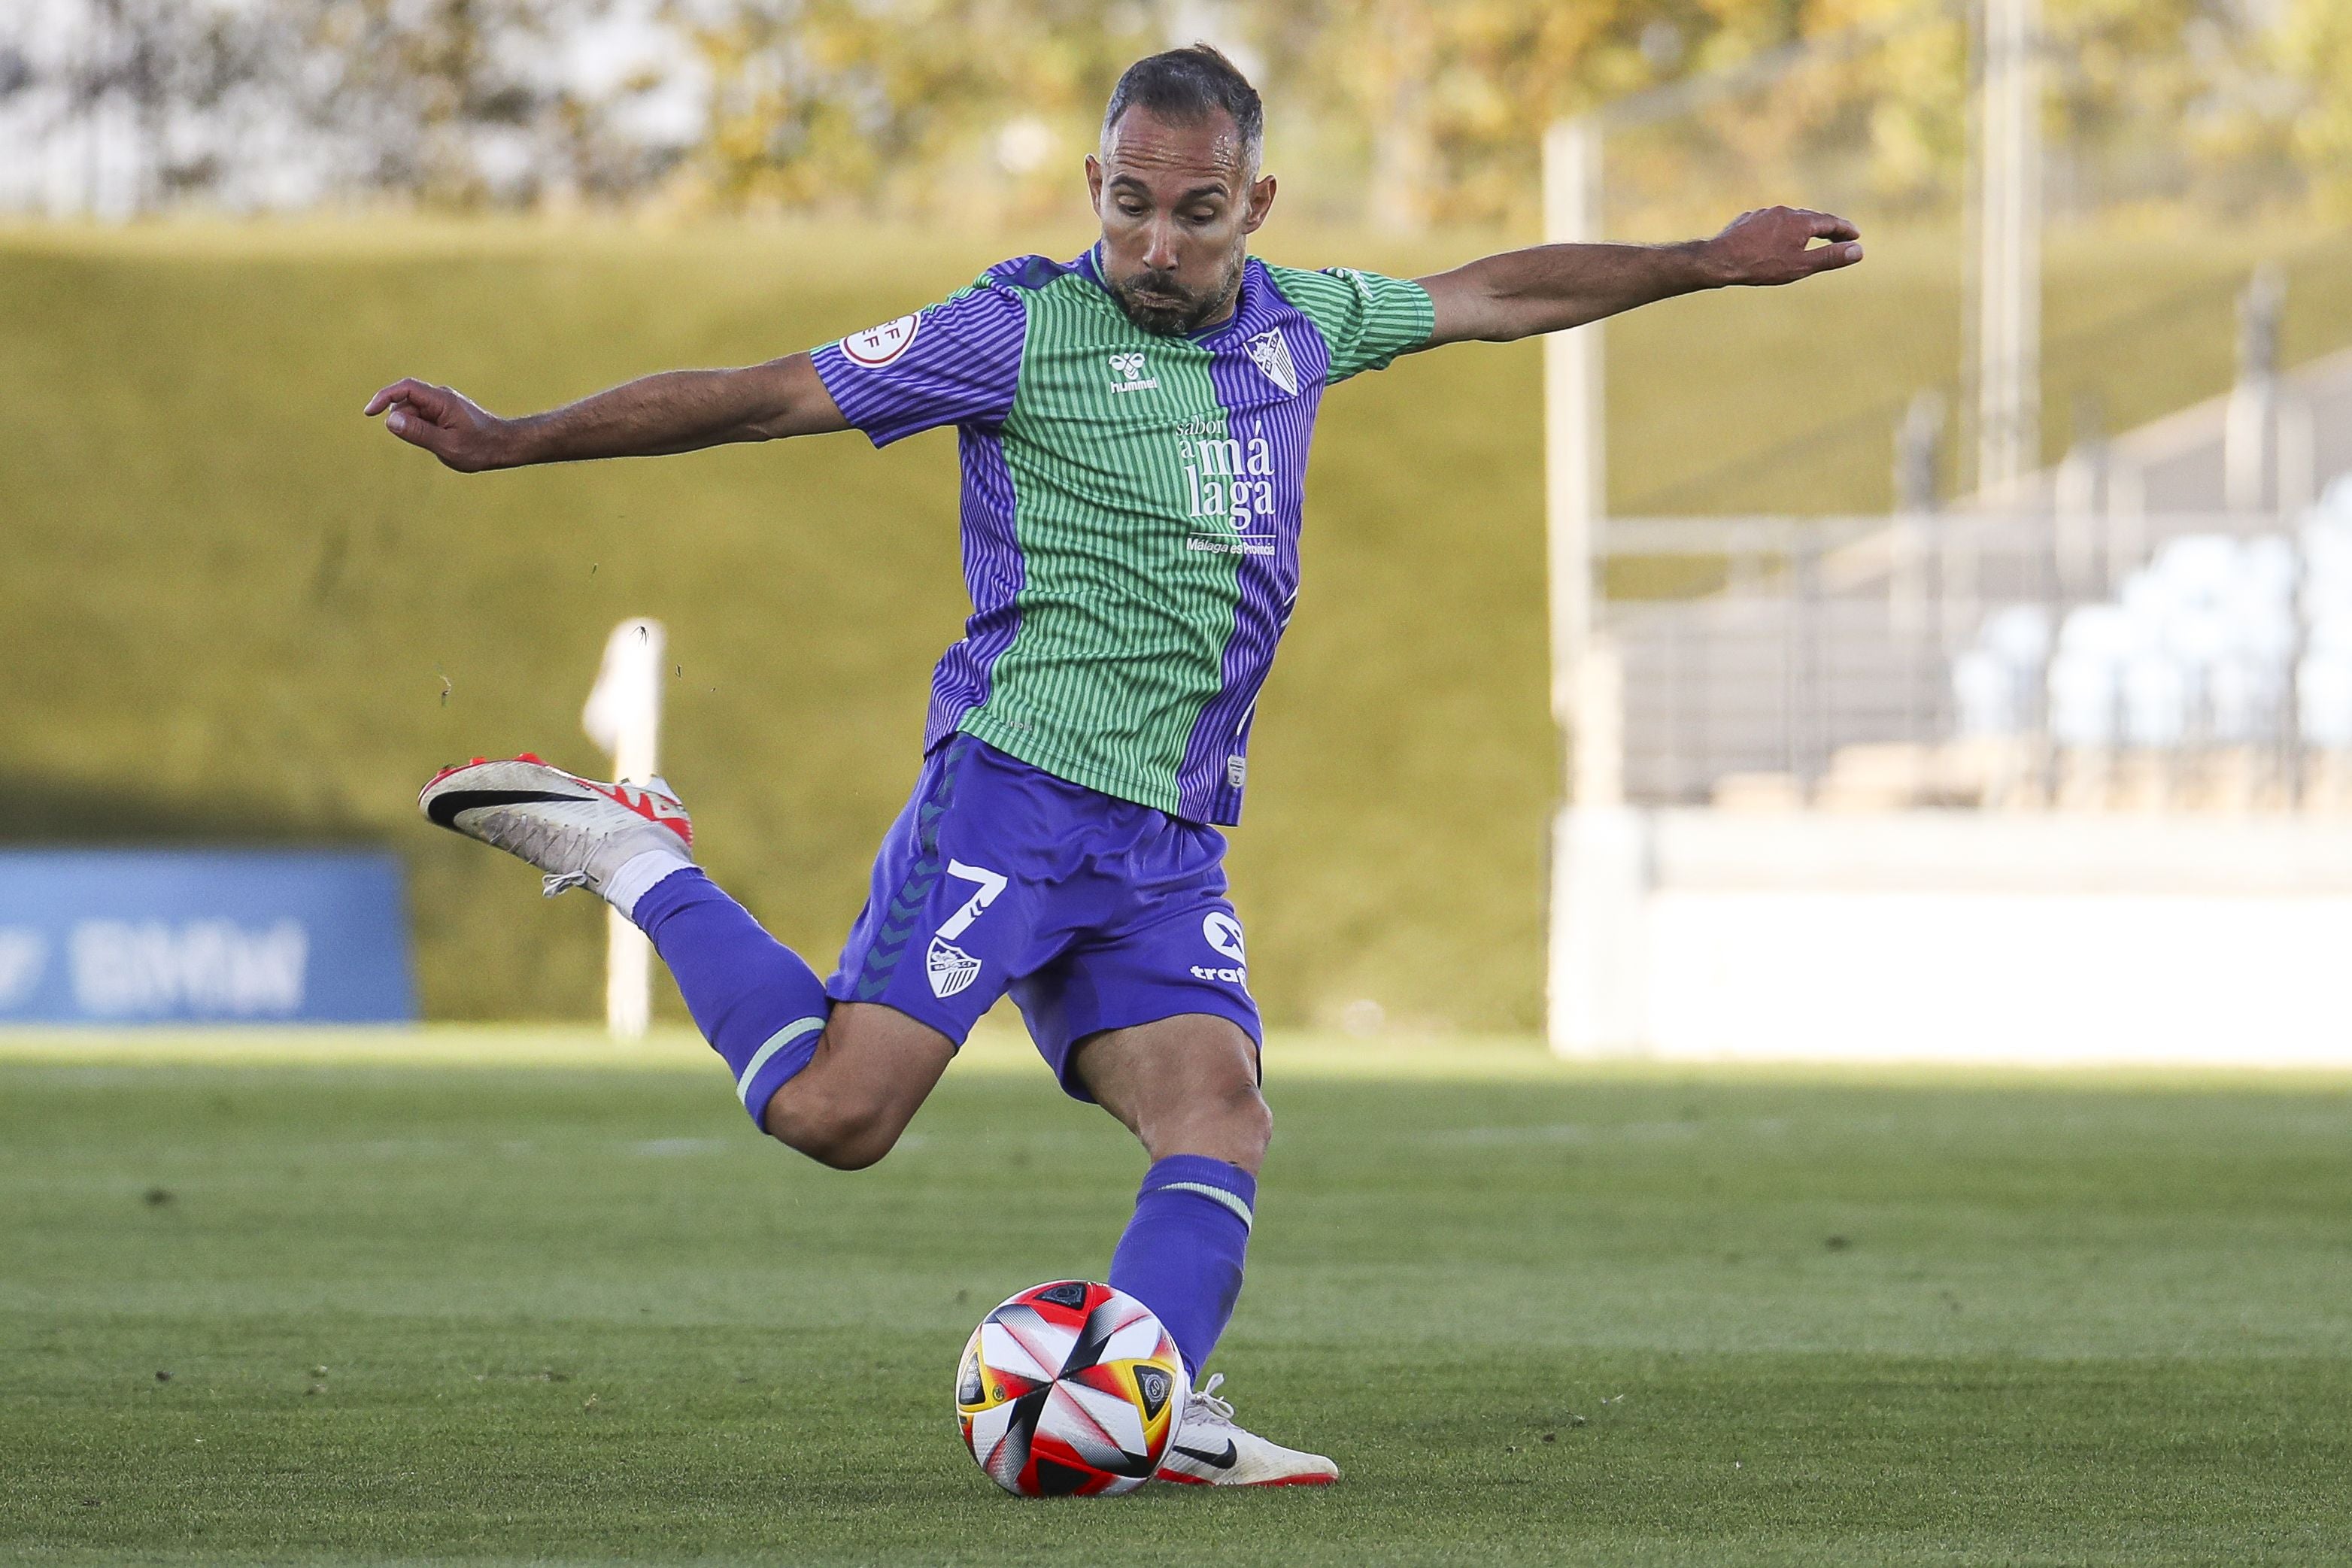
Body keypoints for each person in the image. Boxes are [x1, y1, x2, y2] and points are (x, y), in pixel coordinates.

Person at [368, 44, 1862, 1487]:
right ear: (1094, 184)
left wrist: (1705, 259)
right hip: (1014, 794)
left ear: (1253, 207)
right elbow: (765, 395)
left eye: (1196, 211)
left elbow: (1500, 289)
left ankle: (1156, 1404)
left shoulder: (1305, 323)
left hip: (1166, 842)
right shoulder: (1010, 331)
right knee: (837, 1116)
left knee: (1218, 1111)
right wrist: (516, 442)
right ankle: (638, 853)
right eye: (1129, 204)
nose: (1156, 241)